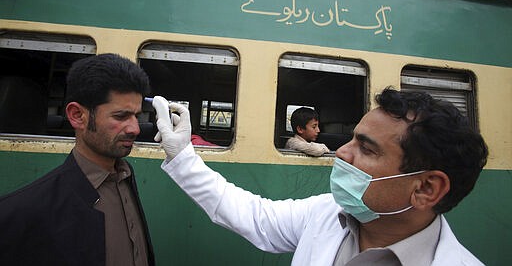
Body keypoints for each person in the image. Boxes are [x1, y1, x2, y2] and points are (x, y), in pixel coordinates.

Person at [151, 87, 488, 265]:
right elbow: (253, 215)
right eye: (352, 138)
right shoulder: (328, 215)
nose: (341, 152)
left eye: (367, 149)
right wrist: (182, 156)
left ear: (427, 188)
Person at [0, 53, 155, 266]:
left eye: (136, 116)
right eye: (120, 116)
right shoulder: (19, 212)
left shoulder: (126, 180)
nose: (135, 128)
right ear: (77, 115)